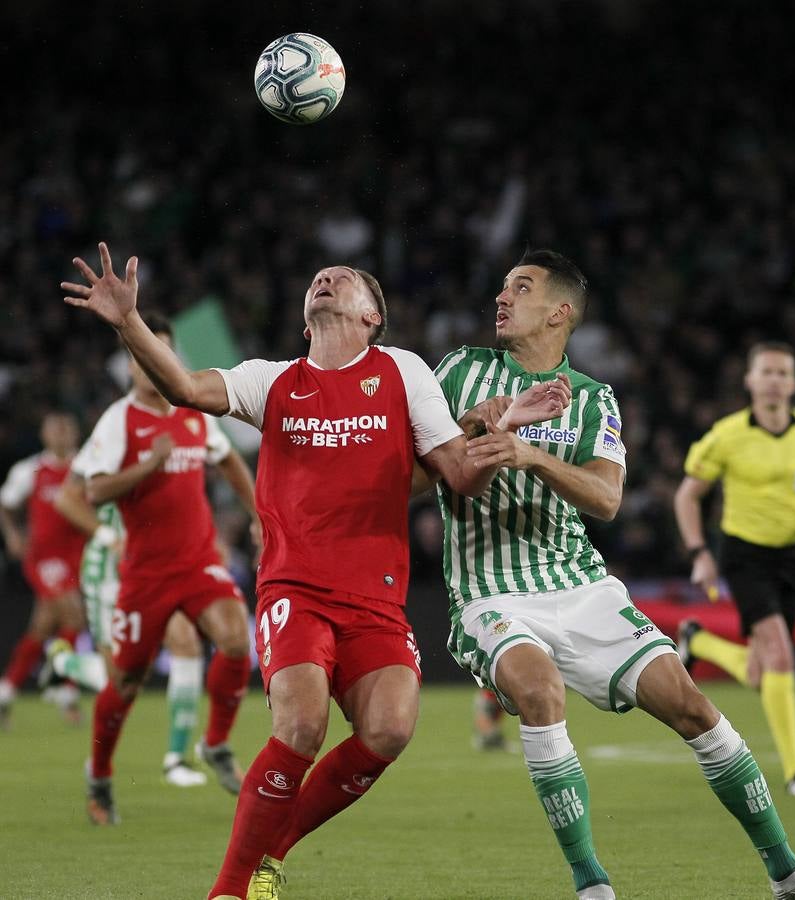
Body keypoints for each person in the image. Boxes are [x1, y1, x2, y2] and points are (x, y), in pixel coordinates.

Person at [61, 243, 568, 900]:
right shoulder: (272, 381)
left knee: (390, 729)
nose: (327, 277)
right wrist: (128, 323)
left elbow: (461, 476)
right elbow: (185, 389)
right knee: (301, 726)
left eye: (347, 279)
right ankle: (228, 889)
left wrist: (506, 432)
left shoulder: (404, 374)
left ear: (370, 318)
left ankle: (273, 846)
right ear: (308, 320)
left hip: (377, 600)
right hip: (294, 590)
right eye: (319, 278)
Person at [430, 248, 795, 900]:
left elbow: (606, 498)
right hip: (490, 591)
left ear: (560, 312)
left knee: (694, 707)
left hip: (577, 583)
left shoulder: (595, 401)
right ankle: (593, 886)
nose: (501, 298)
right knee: (541, 694)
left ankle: (788, 874)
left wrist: (530, 455)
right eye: (503, 287)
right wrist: (477, 430)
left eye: (521, 288)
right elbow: (409, 468)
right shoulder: (459, 371)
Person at [58, 308, 259, 825]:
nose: (153, 362)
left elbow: (228, 459)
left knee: (236, 639)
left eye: (163, 352)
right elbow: (92, 489)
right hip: (145, 576)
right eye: (144, 354)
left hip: (197, 563)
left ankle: (214, 743)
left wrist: (260, 512)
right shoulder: (119, 420)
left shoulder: (193, 411)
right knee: (124, 684)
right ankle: (99, 777)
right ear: (131, 364)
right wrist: (149, 463)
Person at [673, 341, 795, 797]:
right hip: (745, 554)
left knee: (762, 672)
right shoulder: (727, 435)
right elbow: (687, 495)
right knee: (781, 654)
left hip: (792, 556)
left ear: (794, 383)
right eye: (766, 372)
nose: (774, 381)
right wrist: (699, 554)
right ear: (749, 380)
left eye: (783, 373)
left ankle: (698, 640)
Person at [49, 403, 212, 788]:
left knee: (186, 642)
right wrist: (107, 537)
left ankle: (176, 757)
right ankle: (64, 665)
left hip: (154, 566)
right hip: (109, 570)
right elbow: (66, 497)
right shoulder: (108, 440)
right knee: (120, 681)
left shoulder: (169, 437)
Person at [0, 412, 87, 727]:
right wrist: (12, 534)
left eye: (67, 429)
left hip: (77, 557)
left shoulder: (86, 467)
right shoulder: (31, 470)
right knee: (73, 617)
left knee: (42, 627)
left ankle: (6, 692)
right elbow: (6, 503)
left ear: (75, 434)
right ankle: (65, 692)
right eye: (56, 430)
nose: (62, 435)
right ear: (44, 435)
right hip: (44, 559)